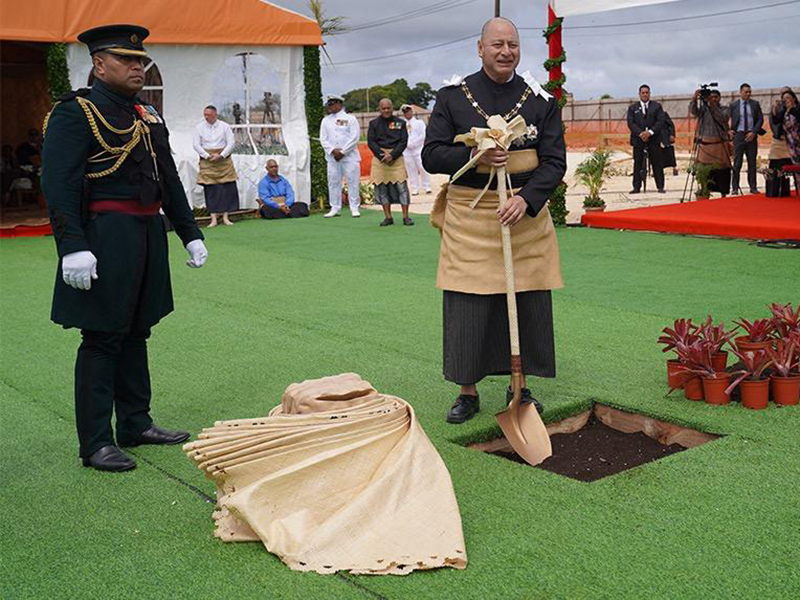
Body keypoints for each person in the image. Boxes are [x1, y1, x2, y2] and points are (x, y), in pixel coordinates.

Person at [40, 24, 208, 473]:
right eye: (126, 60)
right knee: (101, 337)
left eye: (140, 60)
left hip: (147, 233)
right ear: (99, 64)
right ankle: (96, 441)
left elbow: (168, 179)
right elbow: (58, 184)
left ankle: (135, 422)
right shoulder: (77, 112)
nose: (138, 66)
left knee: (138, 330)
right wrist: (71, 245)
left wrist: (189, 231)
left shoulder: (147, 114)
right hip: (103, 234)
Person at [422, 17, 565, 424]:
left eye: (513, 45)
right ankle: (467, 391)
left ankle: (520, 387)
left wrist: (528, 200)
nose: (506, 52)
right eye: (498, 44)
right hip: (470, 214)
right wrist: (474, 156)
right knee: (468, 302)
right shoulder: (453, 97)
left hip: (524, 214)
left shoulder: (540, 99)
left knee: (526, 299)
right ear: (480, 47)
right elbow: (431, 155)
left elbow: (555, 161)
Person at [368, 98, 413, 226]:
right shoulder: (373, 124)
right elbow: (371, 142)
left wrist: (392, 155)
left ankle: (406, 217)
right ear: (379, 109)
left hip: (397, 158)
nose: (386, 110)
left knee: (402, 188)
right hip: (380, 159)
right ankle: (388, 217)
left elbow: (403, 141)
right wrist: (383, 155)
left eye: (388, 108)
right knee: (382, 189)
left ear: (392, 108)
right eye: (384, 108)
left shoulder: (400, 123)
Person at [193, 105, 239, 227]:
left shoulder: (225, 127)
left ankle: (225, 217)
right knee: (211, 189)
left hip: (223, 159)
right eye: (205, 115)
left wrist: (222, 155)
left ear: (215, 114)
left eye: (208, 115)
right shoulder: (199, 127)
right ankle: (213, 218)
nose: (206, 117)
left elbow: (231, 143)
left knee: (226, 188)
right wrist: (207, 156)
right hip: (207, 159)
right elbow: (196, 145)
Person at [319, 95, 361, 218]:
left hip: (349, 157)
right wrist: (332, 151)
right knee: (333, 182)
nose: (330, 107)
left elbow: (354, 138)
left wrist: (342, 152)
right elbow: (323, 139)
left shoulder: (350, 119)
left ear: (339, 104)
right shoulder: (325, 120)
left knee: (353, 182)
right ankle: (335, 207)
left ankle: (354, 207)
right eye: (329, 104)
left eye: (332, 104)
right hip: (332, 158)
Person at [689, 88, 732, 197]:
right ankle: (704, 192)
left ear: (719, 98)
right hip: (705, 145)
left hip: (720, 145)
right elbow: (693, 111)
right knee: (705, 169)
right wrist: (694, 99)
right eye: (711, 97)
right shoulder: (703, 110)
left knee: (722, 170)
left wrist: (712, 105)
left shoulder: (725, 109)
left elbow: (723, 118)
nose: (713, 99)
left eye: (715, 97)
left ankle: (723, 194)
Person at [626, 84, 665, 193]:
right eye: (643, 93)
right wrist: (641, 133)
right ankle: (636, 187)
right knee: (638, 163)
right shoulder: (632, 108)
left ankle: (660, 186)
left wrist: (650, 132)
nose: (645, 94)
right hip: (638, 140)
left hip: (654, 139)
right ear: (639, 94)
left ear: (649, 94)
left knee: (657, 163)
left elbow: (660, 121)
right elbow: (630, 123)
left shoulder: (657, 106)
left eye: (647, 92)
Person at [729, 83, 764, 195]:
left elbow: (760, 119)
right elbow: (725, 118)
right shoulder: (734, 105)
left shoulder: (755, 104)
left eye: (749, 92)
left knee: (752, 163)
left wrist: (754, 132)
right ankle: (735, 187)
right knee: (737, 163)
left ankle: (753, 187)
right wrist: (728, 130)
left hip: (751, 136)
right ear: (740, 92)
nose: (748, 94)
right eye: (746, 92)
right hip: (738, 136)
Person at [401, 104, 432, 196]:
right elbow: (400, 136)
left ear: (412, 111)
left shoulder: (419, 123)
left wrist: (414, 143)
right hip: (407, 151)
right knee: (411, 170)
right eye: (405, 112)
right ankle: (414, 188)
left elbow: (423, 135)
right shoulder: (401, 124)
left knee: (422, 168)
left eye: (408, 111)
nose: (407, 114)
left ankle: (427, 186)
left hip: (418, 149)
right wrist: (406, 144)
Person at [660, 110, 679, 177]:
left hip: (665, 136)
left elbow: (670, 125)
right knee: (657, 155)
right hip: (656, 138)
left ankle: (675, 168)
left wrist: (672, 134)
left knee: (669, 153)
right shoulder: (649, 115)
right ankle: (657, 171)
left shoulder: (663, 114)